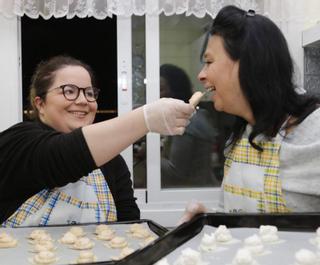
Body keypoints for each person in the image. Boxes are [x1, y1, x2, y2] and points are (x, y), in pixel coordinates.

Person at [0, 55, 194, 227]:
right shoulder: (18, 141)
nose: (83, 100)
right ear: (40, 104)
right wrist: (146, 119)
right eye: (69, 91)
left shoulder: (111, 160)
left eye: (89, 92)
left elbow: (129, 226)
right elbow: (62, 156)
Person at [180, 5, 320, 222]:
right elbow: (236, 218)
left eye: (209, 62)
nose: (201, 75)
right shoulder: (241, 137)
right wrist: (208, 222)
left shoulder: (314, 134)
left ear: (248, 64)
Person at [160, 64, 221, 187]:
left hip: (193, 193)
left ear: (174, 90)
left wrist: (149, 154)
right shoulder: (195, 114)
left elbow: (176, 171)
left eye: (161, 89)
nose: (158, 95)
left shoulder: (186, 122)